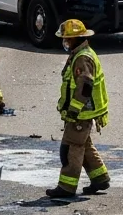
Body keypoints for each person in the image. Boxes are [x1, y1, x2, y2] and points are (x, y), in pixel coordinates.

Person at [45, 19, 111, 198]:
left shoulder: (82, 58)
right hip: (83, 112)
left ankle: (66, 187)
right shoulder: (80, 53)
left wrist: (73, 110)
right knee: (84, 144)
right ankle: (100, 178)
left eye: (67, 39)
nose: (65, 42)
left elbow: (85, 86)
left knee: (71, 148)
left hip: (81, 113)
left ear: (76, 39)